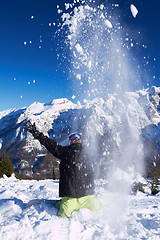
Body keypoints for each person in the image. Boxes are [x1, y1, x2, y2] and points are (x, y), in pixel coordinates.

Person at [24, 121, 101, 217]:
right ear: (70, 141)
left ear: (80, 140)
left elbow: (49, 143)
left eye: (78, 137)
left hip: (82, 197)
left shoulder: (82, 152)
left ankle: (59, 204)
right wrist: (35, 132)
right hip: (77, 197)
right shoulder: (69, 152)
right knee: (63, 217)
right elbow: (49, 143)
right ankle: (59, 204)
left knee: (101, 210)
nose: (76, 138)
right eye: (73, 137)